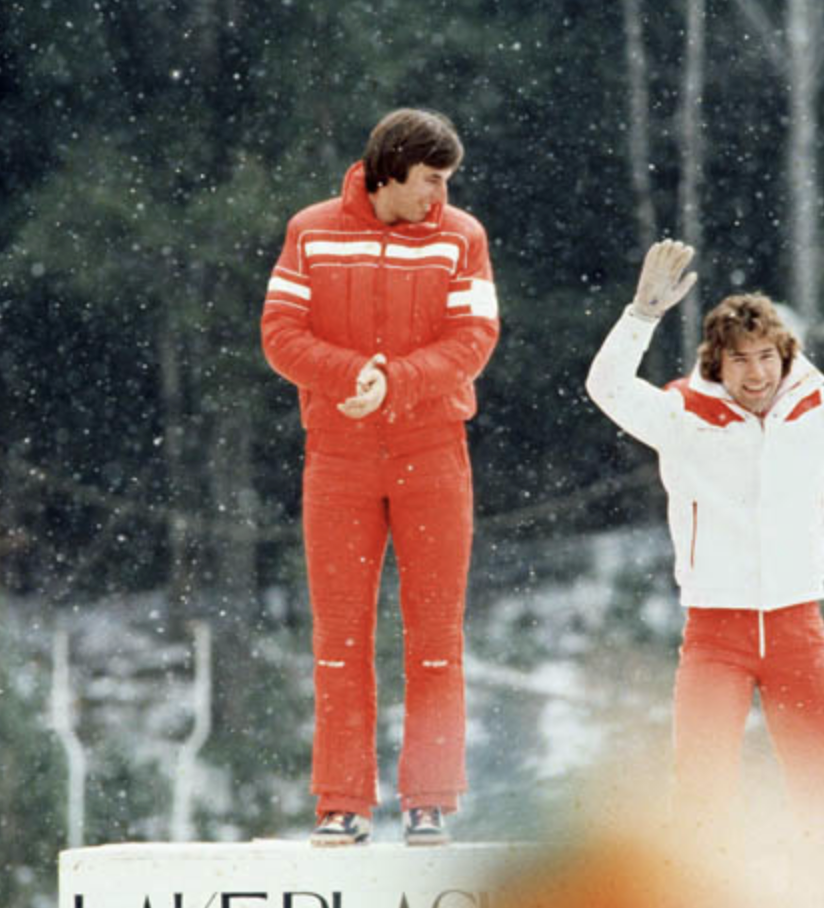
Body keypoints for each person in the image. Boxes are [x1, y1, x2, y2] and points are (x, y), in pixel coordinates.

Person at [585, 232, 824, 906]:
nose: (756, 373)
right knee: (702, 793)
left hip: (799, 629)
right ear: (717, 365)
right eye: (739, 360)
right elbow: (605, 387)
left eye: (766, 357)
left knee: (821, 793)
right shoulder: (681, 418)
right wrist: (641, 315)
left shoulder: (817, 412)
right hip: (714, 637)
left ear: (786, 356)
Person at [261, 108, 499, 846]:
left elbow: (475, 339)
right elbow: (279, 335)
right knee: (340, 637)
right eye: (432, 178)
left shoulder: (463, 237)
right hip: (338, 455)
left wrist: (394, 380)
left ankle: (428, 798)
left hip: (433, 450)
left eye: (447, 181)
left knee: (435, 636)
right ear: (392, 168)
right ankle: (343, 802)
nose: (441, 194)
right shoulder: (312, 230)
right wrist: (347, 376)